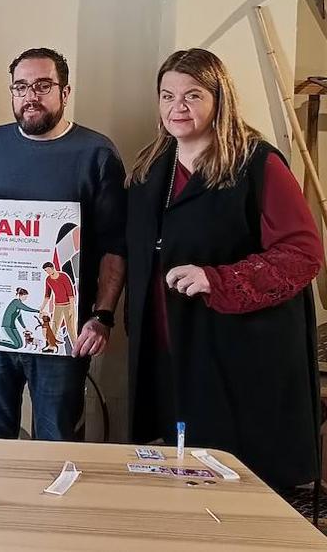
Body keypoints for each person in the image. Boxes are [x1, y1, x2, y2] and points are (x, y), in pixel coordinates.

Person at [126, 48, 321, 490]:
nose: (178, 107)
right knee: (181, 477)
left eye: (193, 95)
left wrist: (217, 280)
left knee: (239, 480)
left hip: (243, 353)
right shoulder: (149, 169)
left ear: (220, 99)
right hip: (172, 350)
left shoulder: (258, 164)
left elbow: (303, 254)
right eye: (167, 95)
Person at [0, 48, 126, 441]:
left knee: (58, 439)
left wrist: (104, 315)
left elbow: (116, 246)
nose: (31, 95)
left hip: (63, 329)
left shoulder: (97, 153)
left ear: (65, 92)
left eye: (43, 86)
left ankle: (56, 506)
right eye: (21, 87)